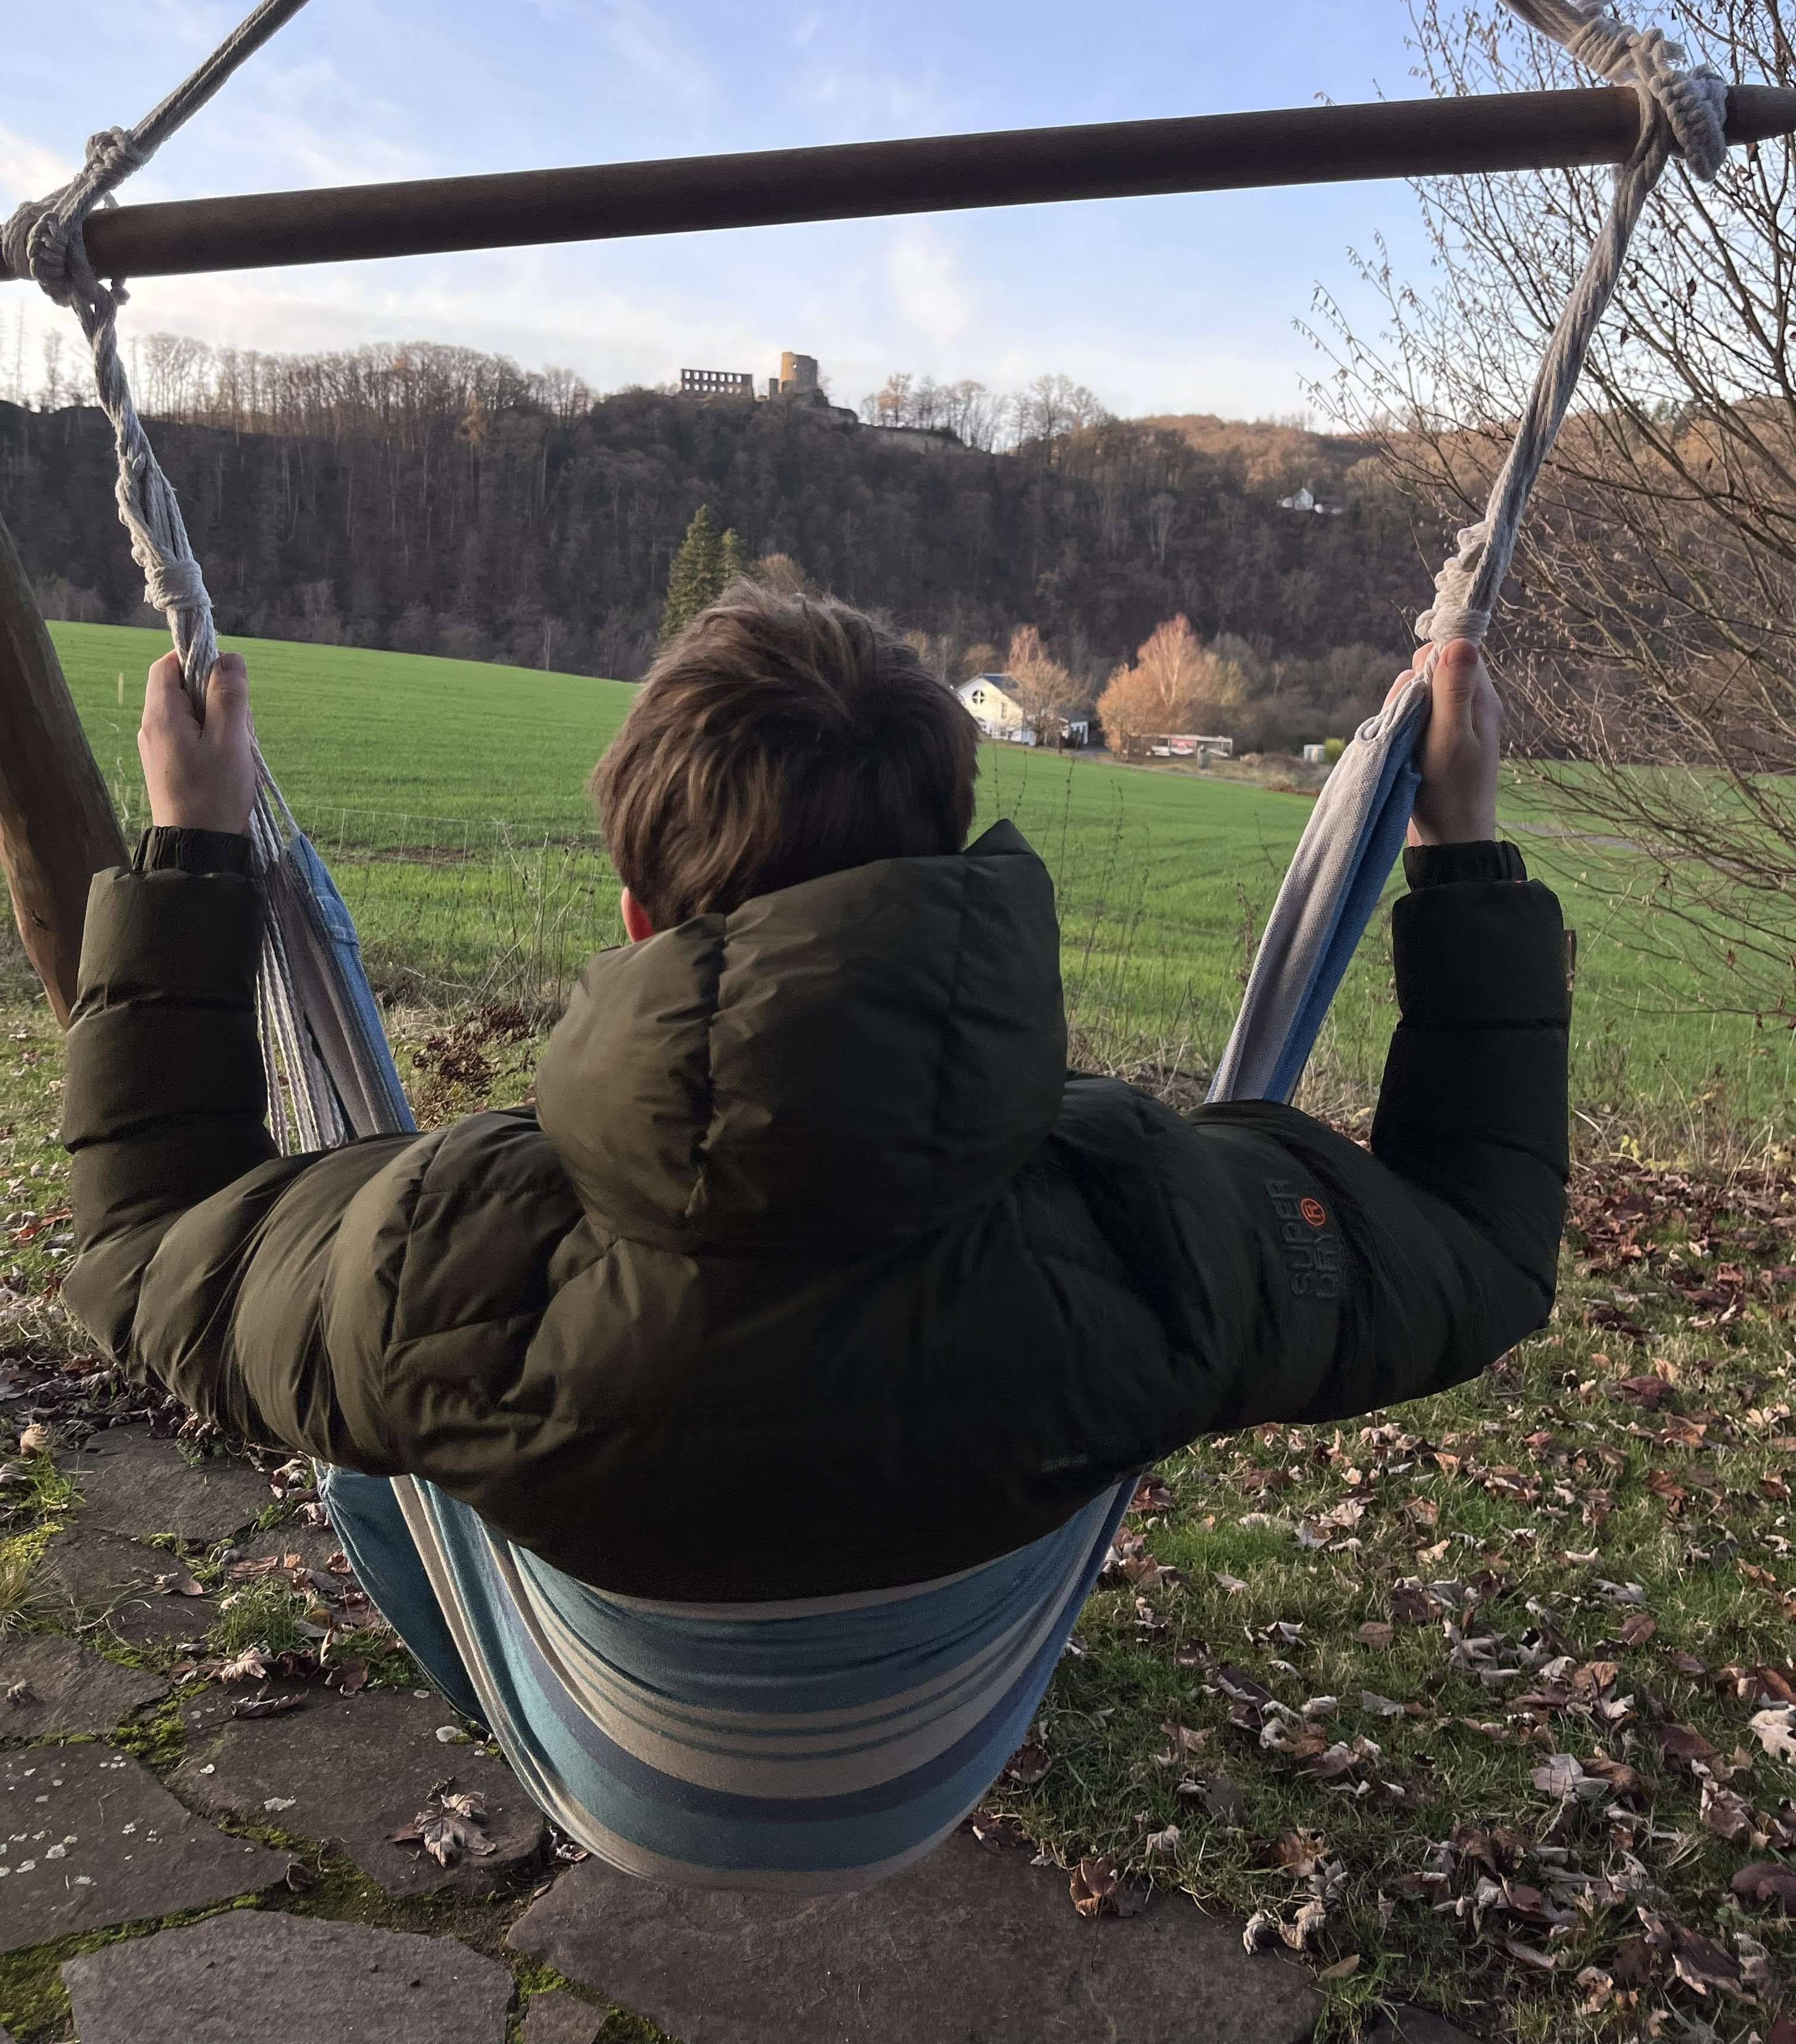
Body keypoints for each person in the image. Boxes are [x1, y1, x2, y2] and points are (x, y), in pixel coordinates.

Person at [60, 584, 1567, 1886]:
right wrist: (1460, 852)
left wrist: (197, 849)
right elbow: (1477, 1243)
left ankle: (547, 1644)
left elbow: (145, 1241)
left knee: (364, 1435)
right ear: (955, 866)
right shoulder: (1144, 1229)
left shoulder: (434, 1260)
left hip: (616, 1774)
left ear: (638, 914)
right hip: (924, 1764)